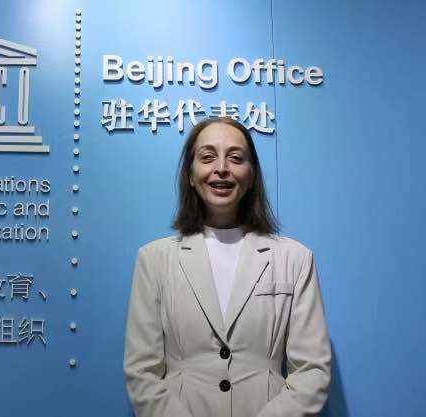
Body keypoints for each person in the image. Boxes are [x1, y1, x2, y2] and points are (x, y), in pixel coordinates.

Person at [124, 117, 331, 417]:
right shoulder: (154, 259)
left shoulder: (295, 258)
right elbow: (141, 371)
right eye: (207, 157)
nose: (221, 168)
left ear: (252, 175)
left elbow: (312, 371)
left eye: (235, 158)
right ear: (190, 174)